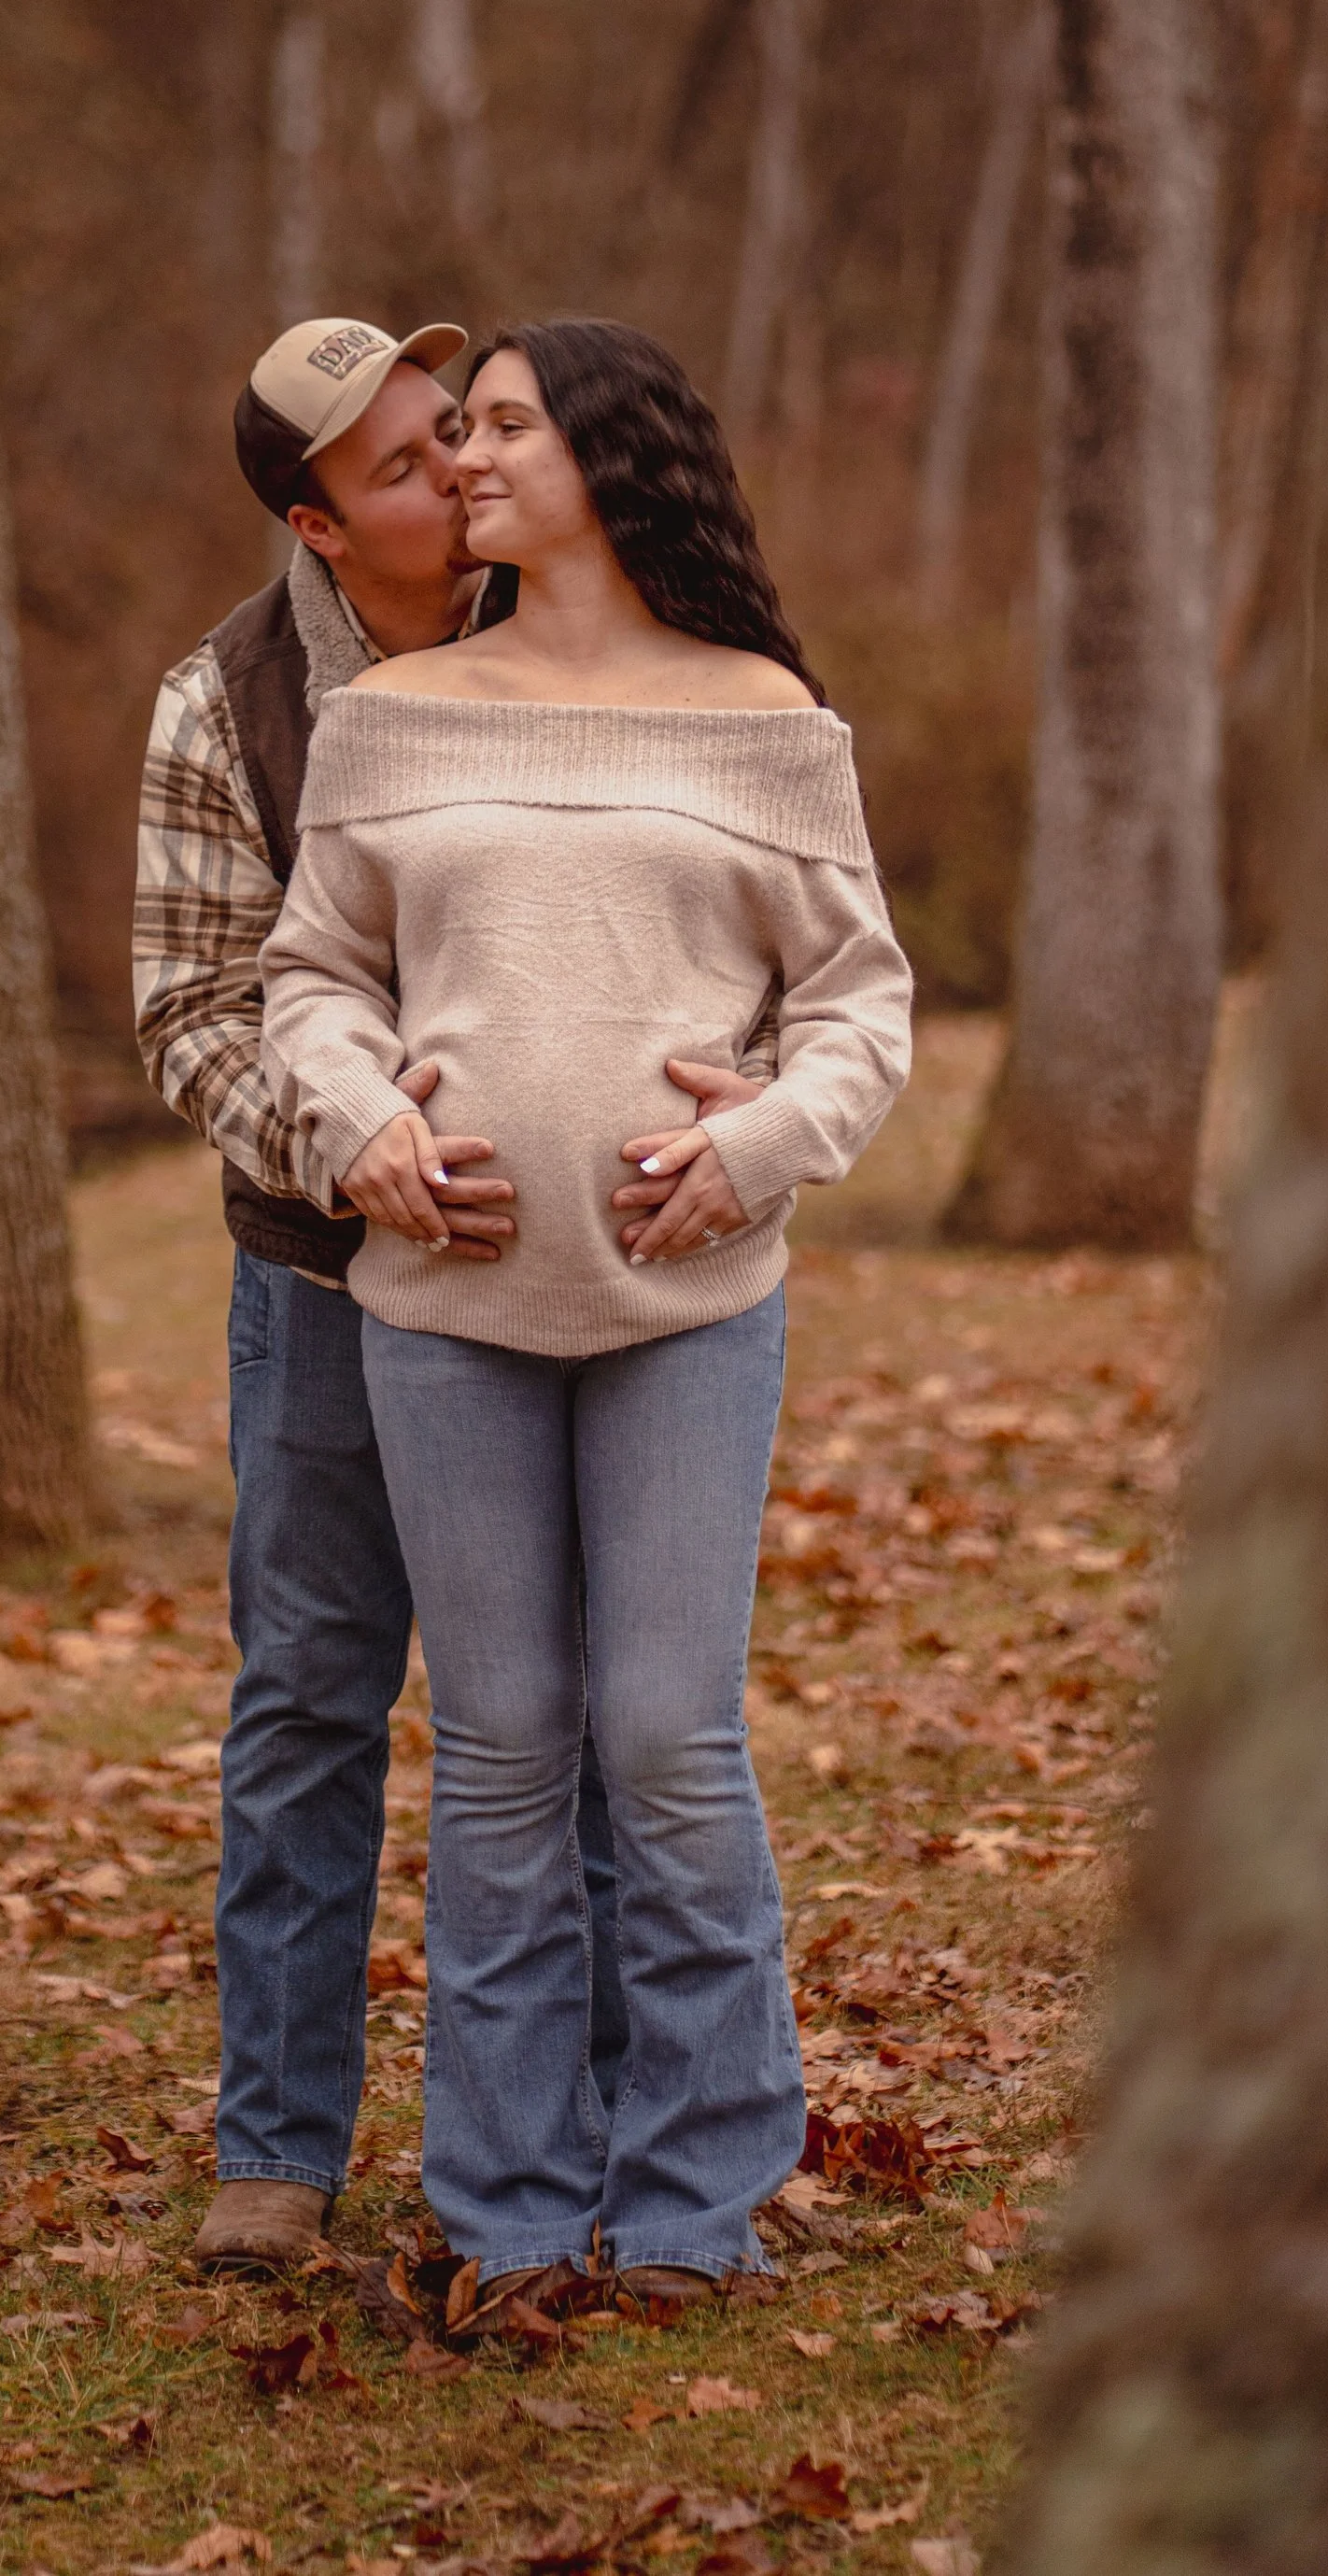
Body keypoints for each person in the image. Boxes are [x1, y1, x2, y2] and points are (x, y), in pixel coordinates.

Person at [260, 318, 911, 2299]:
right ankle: (513, 2208)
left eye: (503, 429)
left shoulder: (765, 719)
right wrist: (360, 1122)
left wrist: (766, 1141)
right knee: (504, 1750)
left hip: (689, 1300)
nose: (462, 459)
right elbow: (311, 979)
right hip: (441, 1302)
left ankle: (699, 2205)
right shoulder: (394, 716)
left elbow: (858, 1005)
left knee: (666, 1742)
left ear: (612, 464)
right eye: (453, 437)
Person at [136, 317, 714, 2271]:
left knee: (594, 1710)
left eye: (455, 430)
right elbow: (195, 1010)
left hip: (576, 1293)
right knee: (313, 1691)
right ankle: (279, 2150)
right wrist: (350, 1146)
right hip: (323, 1282)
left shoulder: (576, 626)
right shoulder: (223, 707)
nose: (455, 472)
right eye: (404, 464)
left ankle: (637, 2146)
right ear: (317, 523)